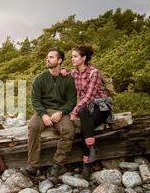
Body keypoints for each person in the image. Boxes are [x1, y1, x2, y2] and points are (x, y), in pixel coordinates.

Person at [27, 48, 77, 181]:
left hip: (60, 111)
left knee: (68, 130)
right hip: (43, 110)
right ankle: (33, 165)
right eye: (47, 57)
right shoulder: (40, 79)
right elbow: (35, 100)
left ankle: (57, 164)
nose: (47, 59)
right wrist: (43, 115)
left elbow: (72, 100)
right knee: (33, 127)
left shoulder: (68, 79)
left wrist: (61, 112)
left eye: (51, 57)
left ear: (59, 60)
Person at [68, 45, 114, 179]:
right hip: (86, 108)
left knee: (84, 126)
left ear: (84, 58)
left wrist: (74, 111)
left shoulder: (94, 73)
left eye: (75, 56)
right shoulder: (74, 73)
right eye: (72, 56)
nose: (72, 59)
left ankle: (87, 164)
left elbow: (90, 96)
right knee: (85, 120)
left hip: (101, 105)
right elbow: (65, 75)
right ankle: (91, 150)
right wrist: (64, 71)